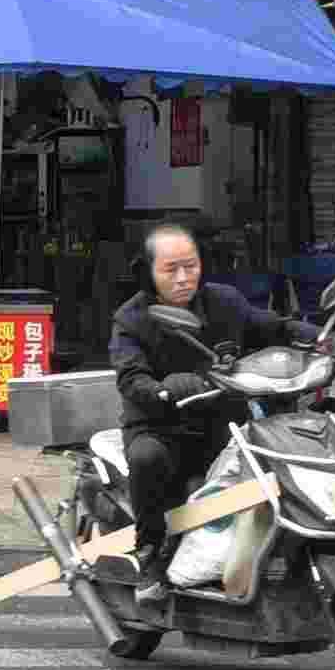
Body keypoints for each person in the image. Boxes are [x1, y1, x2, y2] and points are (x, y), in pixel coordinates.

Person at [107, 219, 286, 562]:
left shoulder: (225, 301)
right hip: (159, 427)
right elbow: (130, 376)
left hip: (220, 424)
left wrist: (327, 341)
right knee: (146, 458)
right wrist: (161, 390)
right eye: (170, 269)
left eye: (191, 266)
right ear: (148, 272)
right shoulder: (130, 319)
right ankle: (149, 550)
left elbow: (274, 327)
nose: (183, 278)